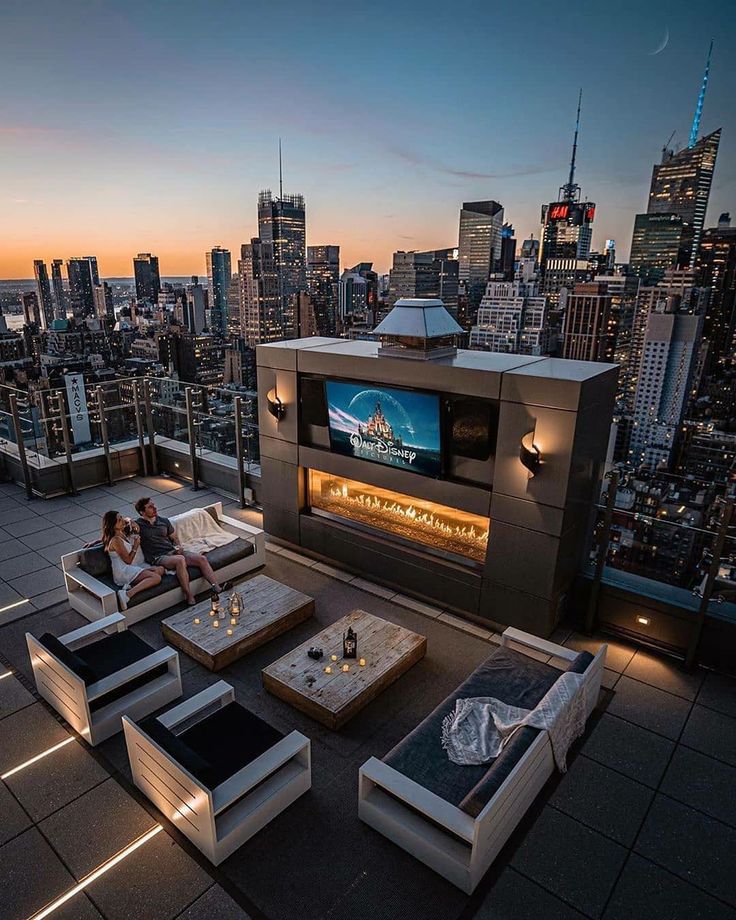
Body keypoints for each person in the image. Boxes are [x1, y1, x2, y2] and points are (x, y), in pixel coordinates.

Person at [134, 496, 226, 606]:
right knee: (180, 560)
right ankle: (189, 595)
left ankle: (216, 587)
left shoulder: (163, 521)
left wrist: (178, 547)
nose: (154, 508)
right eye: (150, 507)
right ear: (142, 512)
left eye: (153, 505)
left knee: (201, 559)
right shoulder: (139, 525)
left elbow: (175, 538)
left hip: (172, 552)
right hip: (158, 557)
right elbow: (127, 526)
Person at [101, 511, 166, 611]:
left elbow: (128, 520)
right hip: (123, 571)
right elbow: (128, 560)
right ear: (113, 525)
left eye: (121, 517)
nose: (122, 520)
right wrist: (135, 545)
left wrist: (130, 520)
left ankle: (129, 585)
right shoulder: (116, 540)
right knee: (156, 577)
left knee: (160, 569)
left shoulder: (121, 533)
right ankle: (126, 594)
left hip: (129, 568)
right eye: (119, 520)